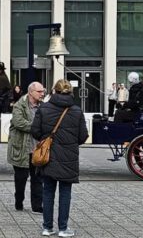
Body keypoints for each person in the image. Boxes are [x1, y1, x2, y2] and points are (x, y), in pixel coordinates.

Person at [32, 79, 88, 238]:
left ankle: (47, 228)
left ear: (54, 91)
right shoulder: (76, 111)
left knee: (48, 191)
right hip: (69, 157)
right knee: (65, 192)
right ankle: (63, 229)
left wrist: (46, 138)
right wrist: (70, 143)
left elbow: (35, 131)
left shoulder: (44, 108)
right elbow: (83, 136)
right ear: (71, 92)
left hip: (48, 156)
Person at [7, 81, 46, 212]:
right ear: (31, 92)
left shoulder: (44, 107)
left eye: (43, 91)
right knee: (21, 179)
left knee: (38, 179)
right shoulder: (20, 105)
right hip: (21, 148)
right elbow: (19, 123)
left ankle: (37, 206)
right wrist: (37, 128)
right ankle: (19, 202)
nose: (42, 94)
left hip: (37, 149)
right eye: (39, 91)